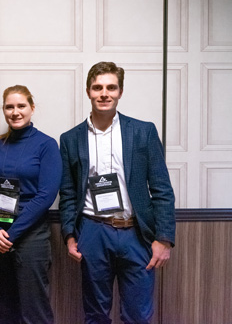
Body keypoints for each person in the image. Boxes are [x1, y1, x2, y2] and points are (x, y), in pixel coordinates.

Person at [59, 62, 176, 324]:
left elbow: (162, 189)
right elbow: (67, 192)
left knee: (137, 315)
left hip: (137, 234)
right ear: (88, 91)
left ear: (120, 92)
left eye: (111, 87)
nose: (104, 93)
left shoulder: (143, 131)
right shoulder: (70, 139)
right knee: (95, 315)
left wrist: (165, 238)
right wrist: (69, 235)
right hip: (93, 232)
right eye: (97, 87)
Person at [0, 85, 61, 324]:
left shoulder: (47, 145)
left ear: (32, 108)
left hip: (31, 236)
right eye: (9, 107)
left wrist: (11, 233)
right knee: (2, 305)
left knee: (33, 308)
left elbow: (45, 196)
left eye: (21, 106)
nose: (15, 112)